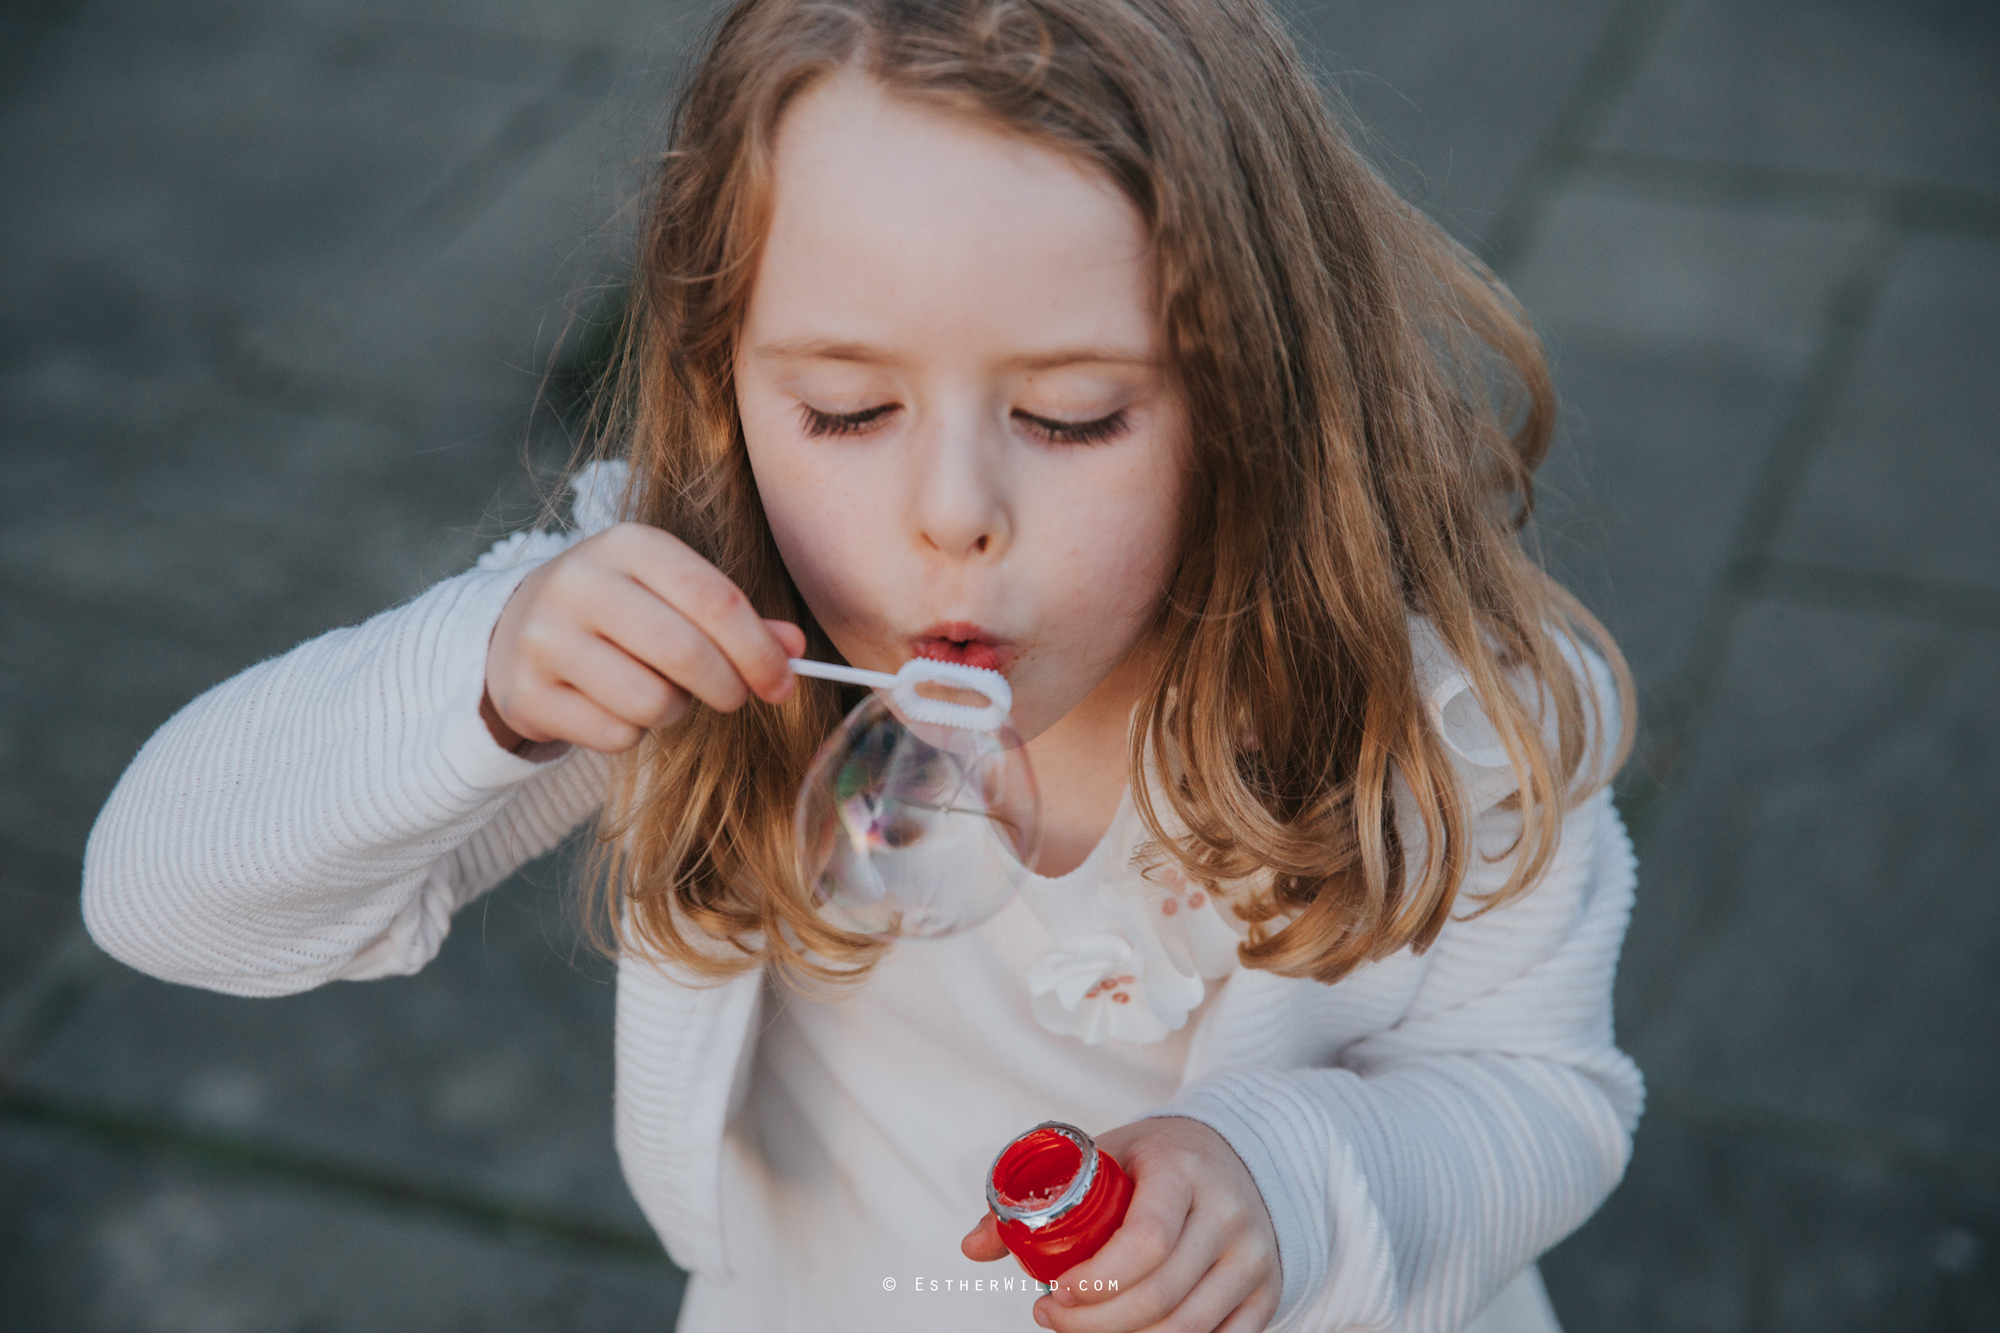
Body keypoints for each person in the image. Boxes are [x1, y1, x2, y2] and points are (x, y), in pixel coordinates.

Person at [81, 2, 1644, 1330]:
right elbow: (157, 894)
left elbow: (1546, 1097)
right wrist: (479, 685)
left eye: (1074, 415)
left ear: (1255, 394)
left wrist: (1285, 1186)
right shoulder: (690, 619)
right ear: (725, 379)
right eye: (843, 409)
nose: (951, 515)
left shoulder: (1443, 723)